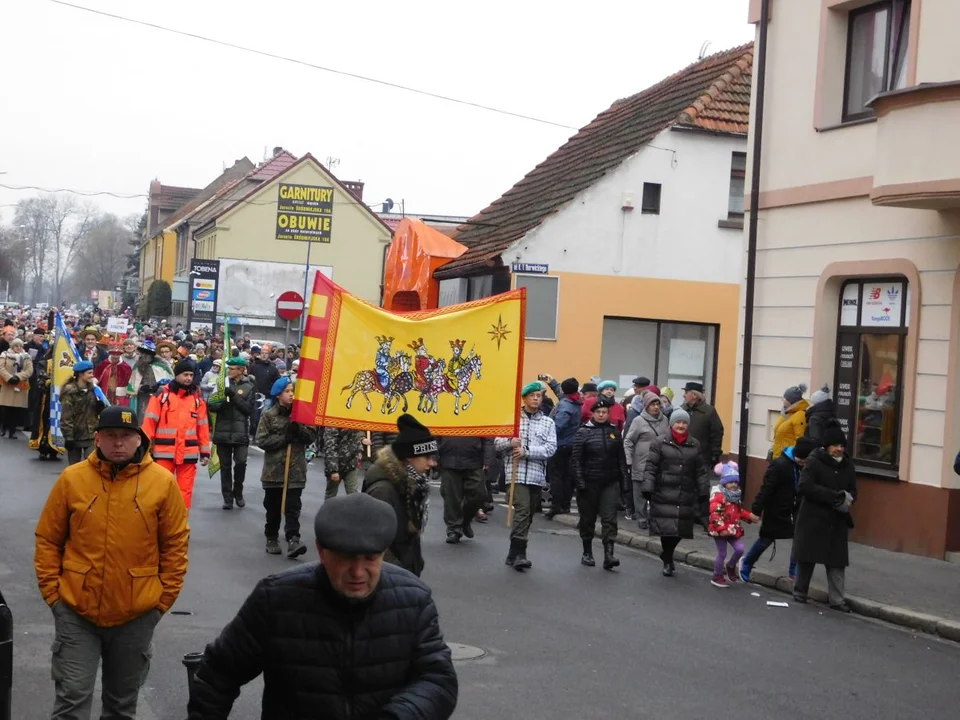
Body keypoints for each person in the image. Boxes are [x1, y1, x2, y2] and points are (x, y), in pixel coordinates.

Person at [186, 492, 458, 719]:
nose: (358, 572)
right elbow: (218, 675)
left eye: (370, 558)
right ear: (321, 551)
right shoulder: (277, 599)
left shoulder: (413, 599)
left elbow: (438, 678)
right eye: (346, 558)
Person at [34, 406, 189, 720]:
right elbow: (48, 539)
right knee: (71, 702)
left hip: (136, 613)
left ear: (139, 439)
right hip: (76, 611)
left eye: (126, 436)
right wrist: (54, 596)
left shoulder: (162, 482)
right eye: (111, 436)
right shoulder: (72, 479)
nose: (119, 443)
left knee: (121, 706)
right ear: (97, 439)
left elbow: (175, 545)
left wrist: (160, 603)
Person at [363, 414, 437, 576]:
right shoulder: (383, 491)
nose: (432, 463)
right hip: (389, 579)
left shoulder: (410, 484)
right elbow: (376, 543)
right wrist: (399, 574)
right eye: (427, 457)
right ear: (409, 457)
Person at [792, 426, 856, 611]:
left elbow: (853, 489)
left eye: (842, 445)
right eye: (836, 445)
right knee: (807, 556)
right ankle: (800, 591)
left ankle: (837, 600)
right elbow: (805, 486)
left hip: (837, 519)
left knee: (837, 561)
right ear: (827, 446)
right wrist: (832, 496)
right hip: (813, 517)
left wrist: (849, 499)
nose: (840, 449)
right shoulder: (814, 461)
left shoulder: (847, 465)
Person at [495, 382, 557, 571]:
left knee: (529, 514)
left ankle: (513, 551)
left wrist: (527, 451)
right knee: (522, 510)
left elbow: (551, 448)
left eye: (539, 396)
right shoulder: (512, 419)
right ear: (524, 398)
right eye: (532, 396)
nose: (536, 399)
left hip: (536, 476)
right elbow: (497, 443)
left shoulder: (548, 422)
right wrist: (509, 442)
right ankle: (521, 553)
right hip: (516, 474)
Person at [640, 407, 709, 577]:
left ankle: (667, 554)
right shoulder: (660, 442)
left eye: (684, 422)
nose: (681, 425)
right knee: (666, 528)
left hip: (685, 492)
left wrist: (703, 490)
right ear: (672, 424)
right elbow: (651, 466)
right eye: (678, 422)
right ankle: (668, 560)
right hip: (664, 490)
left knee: (681, 529)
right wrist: (647, 487)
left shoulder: (694, 444)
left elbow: (701, 470)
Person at [740, 436, 817, 582]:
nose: (802, 462)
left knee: (799, 539)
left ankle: (793, 570)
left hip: (795, 509)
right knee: (766, 539)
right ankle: (747, 562)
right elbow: (766, 489)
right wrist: (756, 510)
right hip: (775, 509)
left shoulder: (807, 467)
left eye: (805, 459)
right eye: (800, 458)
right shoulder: (779, 465)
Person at [255, 375, 315, 558]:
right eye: (287, 391)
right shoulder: (269, 415)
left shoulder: (301, 414)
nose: (291, 395)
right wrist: (283, 438)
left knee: (293, 507)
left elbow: (311, 436)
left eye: (293, 391)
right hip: (274, 472)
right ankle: (272, 537)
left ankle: (293, 539)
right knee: (273, 507)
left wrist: (299, 430)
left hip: (295, 470)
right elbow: (261, 440)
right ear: (278, 394)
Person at [141, 359, 211, 510]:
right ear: (177, 375)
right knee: (160, 490)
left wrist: (205, 452)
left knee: (184, 492)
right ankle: (160, 521)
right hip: (164, 452)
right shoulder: (161, 396)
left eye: (191, 375)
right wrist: (143, 449)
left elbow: (203, 427)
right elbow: (149, 423)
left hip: (187, 454)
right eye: (185, 374)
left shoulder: (197, 400)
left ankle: (180, 525)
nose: (188, 378)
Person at [573, 395, 628, 569]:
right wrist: (579, 481)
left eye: (605, 412)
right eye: (599, 412)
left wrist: (624, 482)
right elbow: (576, 460)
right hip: (589, 482)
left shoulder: (614, 432)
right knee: (588, 518)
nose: (602, 415)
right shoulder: (583, 432)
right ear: (593, 414)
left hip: (610, 482)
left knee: (609, 519)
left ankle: (609, 554)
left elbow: (621, 460)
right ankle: (587, 551)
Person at [207, 357, 255, 510]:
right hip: (223, 431)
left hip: (240, 433)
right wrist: (221, 402)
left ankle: (238, 491)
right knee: (225, 467)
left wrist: (233, 396)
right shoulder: (221, 384)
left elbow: (248, 409)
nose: (229, 371)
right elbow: (211, 405)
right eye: (228, 368)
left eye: (232, 368)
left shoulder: (249, 386)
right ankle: (227, 497)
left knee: (240, 463)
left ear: (241, 370)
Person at [707, 462, 759, 588]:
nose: (734, 485)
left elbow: (739, 511)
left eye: (736, 482)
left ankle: (730, 566)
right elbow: (715, 514)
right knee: (722, 553)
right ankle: (717, 576)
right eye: (731, 482)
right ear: (724, 483)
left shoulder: (735, 497)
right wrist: (722, 529)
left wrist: (749, 516)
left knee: (740, 549)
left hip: (732, 529)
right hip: (720, 531)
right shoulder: (719, 496)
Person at [624, 390, 669, 531]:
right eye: (652, 404)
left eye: (657, 404)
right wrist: (629, 460)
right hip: (640, 462)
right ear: (646, 406)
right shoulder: (638, 421)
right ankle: (641, 518)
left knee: (657, 492)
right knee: (640, 493)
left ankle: (654, 518)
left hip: (659, 462)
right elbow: (629, 441)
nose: (655, 407)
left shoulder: (665, 420)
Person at [438, 434, 494, 543]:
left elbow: (488, 436)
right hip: (448, 459)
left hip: (474, 460)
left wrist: (488, 459)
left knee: (479, 495)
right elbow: (436, 432)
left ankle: (465, 520)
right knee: (451, 497)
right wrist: (435, 456)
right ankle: (454, 530)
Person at [545, 376, 581, 519]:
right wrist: (552, 382)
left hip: (560, 444)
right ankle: (565, 505)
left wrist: (547, 434)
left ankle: (557, 505)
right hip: (571, 444)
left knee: (557, 477)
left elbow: (558, 426)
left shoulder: (565, 406)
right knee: (567, 476)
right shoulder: (576, 401)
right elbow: (561, 394)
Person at [60, 361, 104, 465]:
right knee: (74, 467)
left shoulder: (94, 390)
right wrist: (68, 437)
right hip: (75, 435)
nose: (92, 376)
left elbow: (100, 411)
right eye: (89, 373)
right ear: (80, 374)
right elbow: (66, 416)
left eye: (92, 373)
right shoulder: (70, 392)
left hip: (91, 434)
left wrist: (100, 407)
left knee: (92, 465)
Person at [0, 336, 33, 438]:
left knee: (17, 411)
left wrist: (18, 377)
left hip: (21, 386)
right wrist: (9, 377)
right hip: (8, 385)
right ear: (13, 346)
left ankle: (12, 431)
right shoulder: (5, 355)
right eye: (17, 346)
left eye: (21, 346)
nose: (19, 348)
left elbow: (29, 370)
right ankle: (3, 428)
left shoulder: (27, 357)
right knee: (5, 409)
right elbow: (1, 368)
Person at [247, 345, 279, 442]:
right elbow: (249, 378)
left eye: (266, 353)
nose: (264, 355)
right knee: (255, 416)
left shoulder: (273, 368)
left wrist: (272, 392)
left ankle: (260, 435)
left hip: (267, 396)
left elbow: (276, 381)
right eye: (262, 353)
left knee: (263, 416)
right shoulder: (254, 366)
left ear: (269, 355)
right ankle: (253, 433)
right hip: (256, 395)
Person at [322, 426, 365, 498]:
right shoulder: (332, 425)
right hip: (336, 464)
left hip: (351, 464)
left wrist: (359, 450)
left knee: (353, 493)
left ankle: (353, 509)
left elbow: (356, 437)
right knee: (331, 496)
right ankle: (330, 509)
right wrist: (333, 470)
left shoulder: (351, 422)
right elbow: (330, 447)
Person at [771, 383, 809, 460]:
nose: (782, 400)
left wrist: (791, 456)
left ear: (791, 401)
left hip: (788, 459)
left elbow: (799, 439)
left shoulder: (800, 415)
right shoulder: (787, 413)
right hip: (779, 456)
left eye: (785, 398)